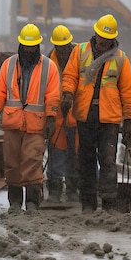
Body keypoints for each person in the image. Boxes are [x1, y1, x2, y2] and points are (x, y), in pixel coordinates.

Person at [60, 14, 131, 213]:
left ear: (113, 39)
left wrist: (128, 120)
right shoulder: (80, 51)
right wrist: (67, 94)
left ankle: (109, 203)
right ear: (95, 33)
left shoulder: (120, 59)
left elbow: (128, 92)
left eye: (106, 38)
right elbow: (69, 75)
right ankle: (88, 203)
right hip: (85, 115)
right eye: (101, 36)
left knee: (108, 160)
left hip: (109, 119)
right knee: (85, 160)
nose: (102, 41)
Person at [0, 24, 61, 213]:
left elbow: (53, 95)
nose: (29, 50)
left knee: (32, 161)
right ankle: (14, 202)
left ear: (38, 46)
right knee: (12, 163)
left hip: (36, 124)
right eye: (26, 46)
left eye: (33, 46)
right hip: (13, 123)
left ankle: (32, 202)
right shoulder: (9, 64)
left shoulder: (48, 67)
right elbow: (0, 90)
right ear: (21, 45)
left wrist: (51, 117)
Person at [46, 25, 80, 203]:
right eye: (59, 46)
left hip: (77, 115)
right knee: (57, 154)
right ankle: (55, 189)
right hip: (57, 115)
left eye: (65, 46)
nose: (62, 49)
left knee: (75, 155)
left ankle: (73, 189)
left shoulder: (81, 58)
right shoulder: (48, 62)